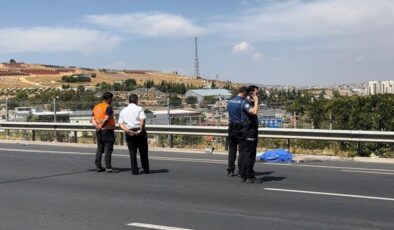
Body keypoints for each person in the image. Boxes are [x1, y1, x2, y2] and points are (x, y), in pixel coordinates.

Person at [118, 94, 150, 175]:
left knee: (132, 152)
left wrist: (127, 130)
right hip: (139, 132)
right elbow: (142, 120)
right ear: (136, 100)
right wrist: (140, 130)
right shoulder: (139, 108)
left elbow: (120, 124)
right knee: (143, 152)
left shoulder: (123, 110)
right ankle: (146, 169)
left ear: (129, 100)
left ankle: (134, 170)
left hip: (129, 132)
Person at [92, 92, 119, 173]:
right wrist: (101, 125)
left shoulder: (96, 107)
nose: (111, 101)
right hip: (107, 131)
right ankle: (108, 167)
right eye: (111, 99)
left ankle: (98, 167)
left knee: (100, 148)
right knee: (108, 149)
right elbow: (107, 118)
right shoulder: (108, 107)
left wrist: (97, 126)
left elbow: (92, 118)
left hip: (98, 131)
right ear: (108, 99)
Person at [239, 85, 260, 183]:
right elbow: (254, 112)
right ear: (251, 93)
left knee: (251, 153)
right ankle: (247, 175)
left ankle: (247, 174)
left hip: (251, 130)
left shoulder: (249, 102)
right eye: (256, 93)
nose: (257, 95)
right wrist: (256, 101)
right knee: (249, 154)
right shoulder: (246, 103)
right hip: (248, 131)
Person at [226, 86, 248, 177]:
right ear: (244, 93)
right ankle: (240, 170)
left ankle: (230, 170)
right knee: (242, 150)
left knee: (232, 150)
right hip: (240, 127)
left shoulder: (230, 102)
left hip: (231, 127)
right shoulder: (243, 102)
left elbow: (229, 113)